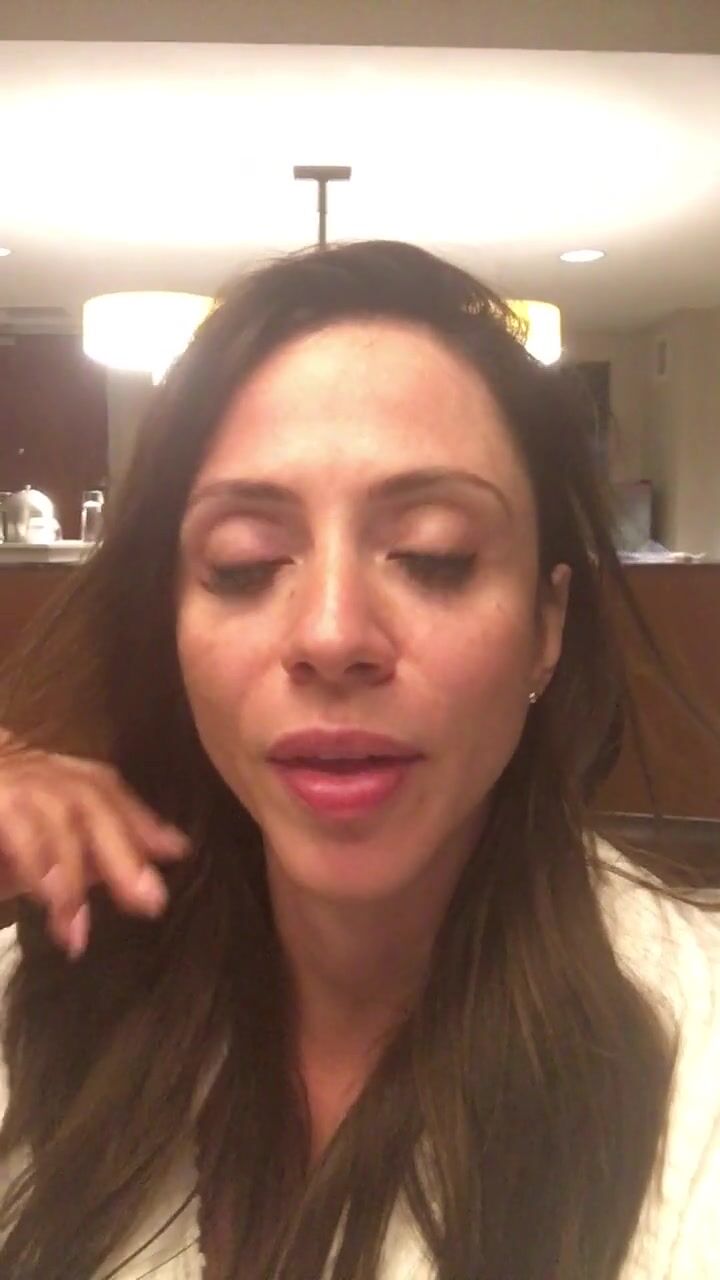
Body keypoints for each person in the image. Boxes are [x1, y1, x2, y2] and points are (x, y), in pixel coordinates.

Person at [0, 240, 718, 1280]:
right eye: (245, 564)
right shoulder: (48, 997)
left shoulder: (695, 1066)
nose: (332, 633)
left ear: (546, 625)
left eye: (433, 555)